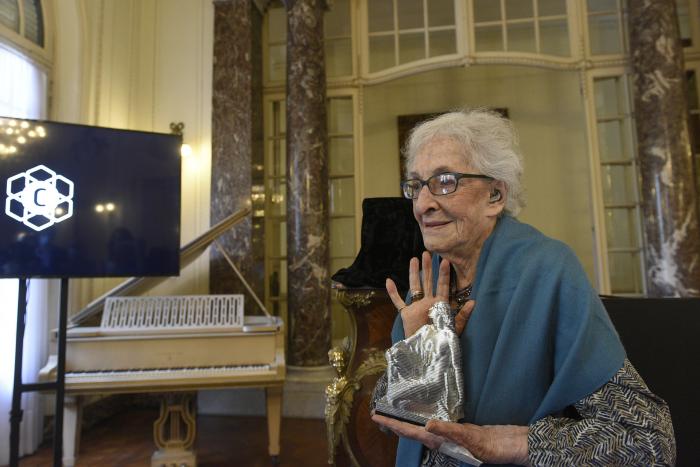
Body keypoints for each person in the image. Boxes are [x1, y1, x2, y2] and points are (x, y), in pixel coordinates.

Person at [370, 109, 676, 466]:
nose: (423, 204)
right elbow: (389, 417)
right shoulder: (429, 283)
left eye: (445, 181)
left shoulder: (546, 270)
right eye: (416, 185)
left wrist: (506, 442)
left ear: (495, 196)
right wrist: (418, 357)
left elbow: (647, 440)